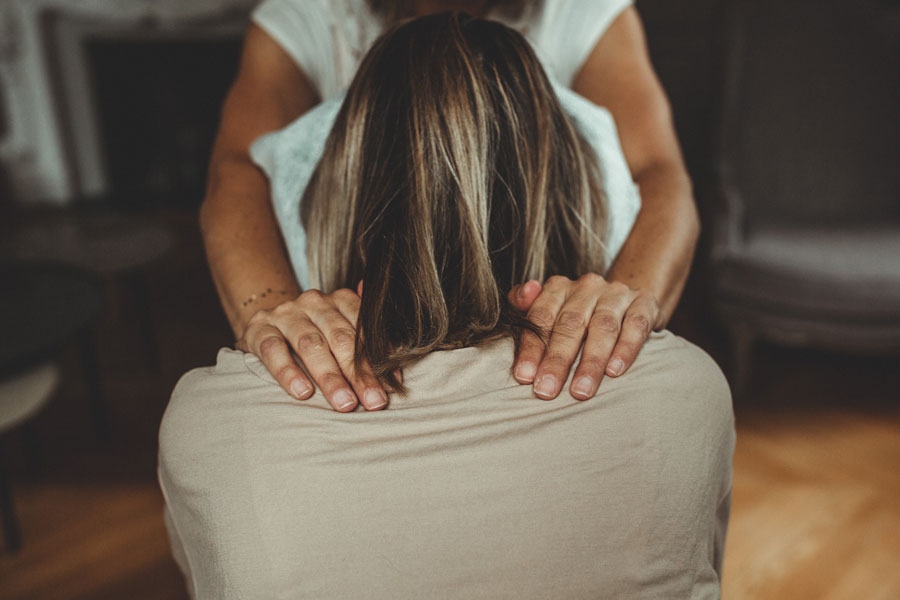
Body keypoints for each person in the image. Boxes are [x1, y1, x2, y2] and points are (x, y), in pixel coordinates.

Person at [160, 14, 734, 598]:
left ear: (326, 207)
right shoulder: (686, 391)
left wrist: (622, 310)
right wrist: (272, 311)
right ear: (576, 193)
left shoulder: (207, 422)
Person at [199, 0, 700, 412]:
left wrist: (617, 309)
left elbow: (660, 175)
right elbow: (237, 173)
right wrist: (273, 316)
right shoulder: (308, 15)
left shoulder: (582, 11)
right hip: (360, 305)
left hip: (543, 296)